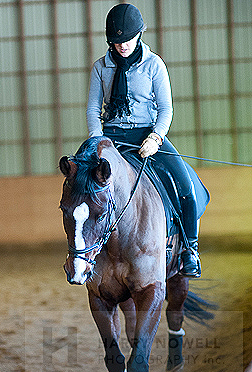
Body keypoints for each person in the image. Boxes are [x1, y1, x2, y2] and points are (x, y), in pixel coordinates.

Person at [86, 3, 201, 278]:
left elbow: (166, 109)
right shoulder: (101, 67)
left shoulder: (154, 65)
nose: (122, 45)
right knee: (82, 185)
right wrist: (97, 141)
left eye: (127, 40)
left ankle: (190, 249)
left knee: (184, 184)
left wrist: (156, 138)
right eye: (116, 41)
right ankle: (83, 250)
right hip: (110, 136)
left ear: (139, 35)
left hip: (146, 135)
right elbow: (93, 109)